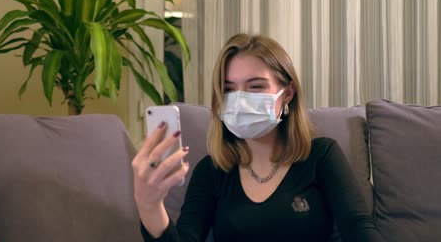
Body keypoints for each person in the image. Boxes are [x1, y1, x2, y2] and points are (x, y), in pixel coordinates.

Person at [132, 33, 383, 241]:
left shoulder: (321, 156)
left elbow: (360, 230)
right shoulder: (211, 171)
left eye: (256, 86)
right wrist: (150, 207)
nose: (240, 99)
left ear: (287, 93)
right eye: (229, 89)